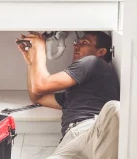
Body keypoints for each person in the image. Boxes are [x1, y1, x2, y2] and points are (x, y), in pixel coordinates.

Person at [16, 31, 120, 159]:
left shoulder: (93, 62)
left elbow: (40, 85)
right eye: (77, 42)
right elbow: (37, 97)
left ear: (101, 52)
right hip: (70, 141)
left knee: (115, 108)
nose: (75, 45)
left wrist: (40, 51)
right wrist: (31, 63)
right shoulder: (73, 94)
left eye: (84, 43)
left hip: (94, 132)